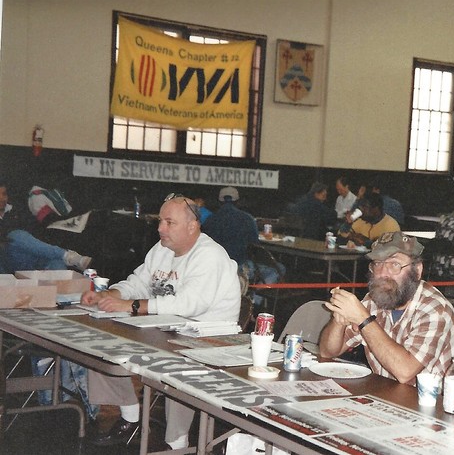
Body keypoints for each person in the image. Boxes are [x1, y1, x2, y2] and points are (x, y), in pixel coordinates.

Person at [81, 193, 241, 450]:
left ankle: (177, 444)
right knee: (100, 338)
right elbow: (138, 282)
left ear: (192, 226)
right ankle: (129, 414)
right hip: (166, 329)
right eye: (160, 221)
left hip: (207, 338)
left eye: (169, 222)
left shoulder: (210, 255)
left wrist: (133, 306)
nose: (160, 228)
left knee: (178, 365)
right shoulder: (162, 249)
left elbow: (188, 306)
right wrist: (111, 294)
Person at [319, 231, 454, 387]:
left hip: (441, 400)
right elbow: (327, 352)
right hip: (389, 394)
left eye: (394, 264)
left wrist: (363, 319)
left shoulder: (435, 309)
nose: (382, 273)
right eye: (378, 263)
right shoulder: (374, 301)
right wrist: (339, 320)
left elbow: (405, 372)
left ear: (417, 270)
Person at [204, 186, 283, 300]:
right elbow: (255, 246)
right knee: (279, 269)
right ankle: (253, 299)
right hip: (240, 267)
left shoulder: (210, 220)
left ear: (219, 202)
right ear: (238, 201)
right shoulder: (247, 219)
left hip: (215, 268)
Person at [0, 181, 92, 273]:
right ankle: (69, 256)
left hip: (34, 253)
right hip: (11, 258)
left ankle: (64, 272)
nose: (2, 198)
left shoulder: (18, 209)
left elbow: (34, 229)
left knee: (56, 262)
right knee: (16, 235)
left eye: (4, 194)